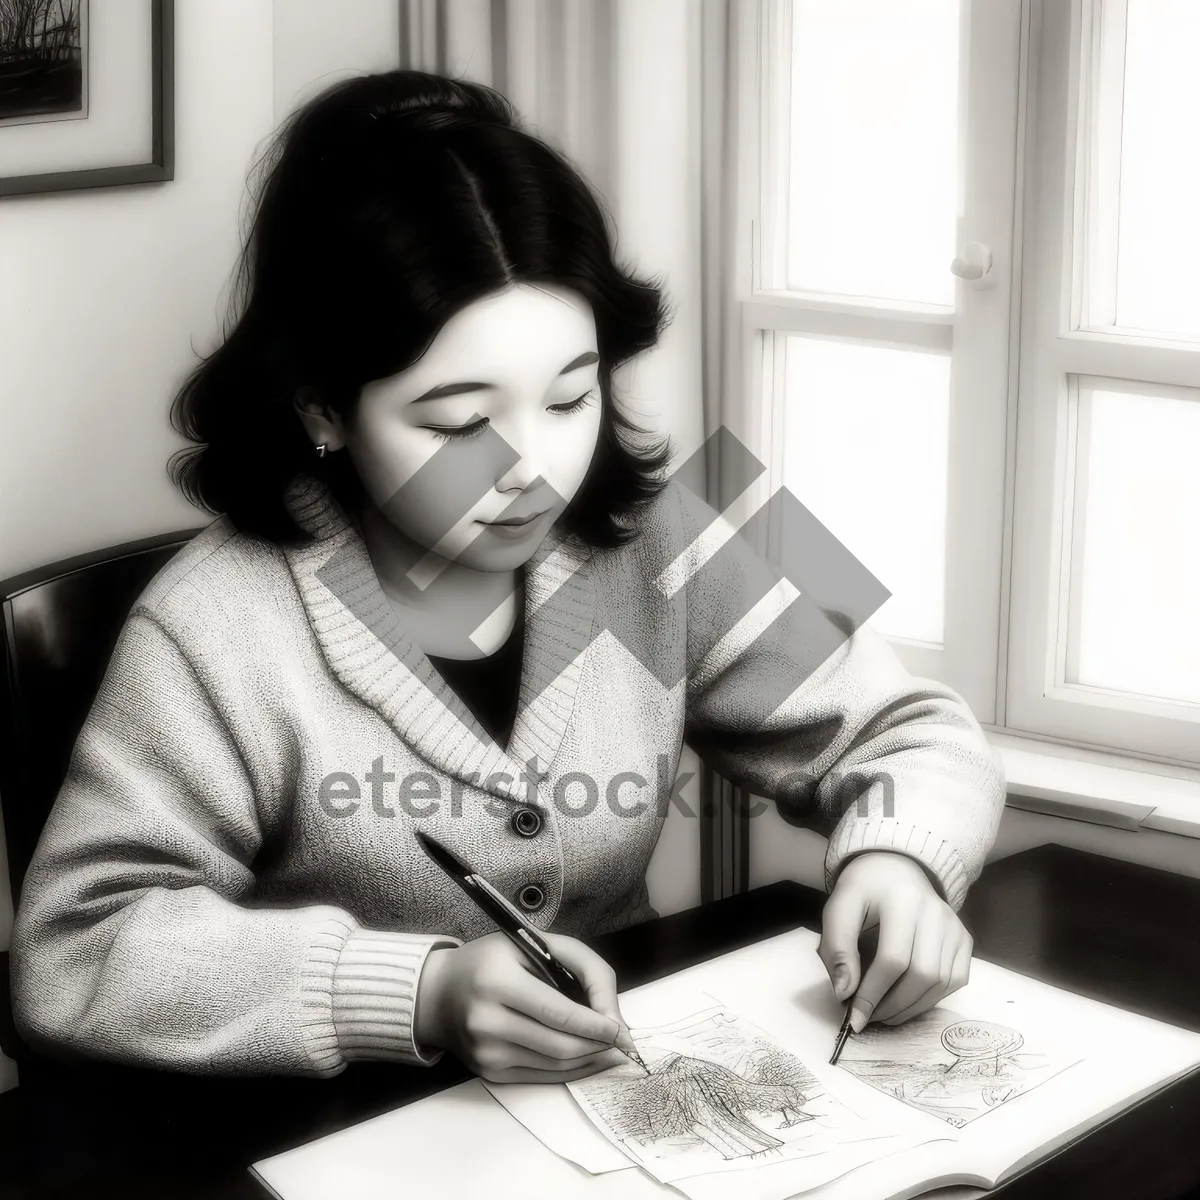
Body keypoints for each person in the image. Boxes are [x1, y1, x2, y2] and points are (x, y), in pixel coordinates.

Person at [10, 69, 1005, 1084]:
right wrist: (421, 991)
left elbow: (917, 725)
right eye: (456, 424)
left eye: (571, 399)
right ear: (319, 409)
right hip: (326, 1143)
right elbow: (76, 950)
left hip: (613, 1108)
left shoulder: (673, 532)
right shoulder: (211, 622)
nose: (533, 469)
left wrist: (900, 856)